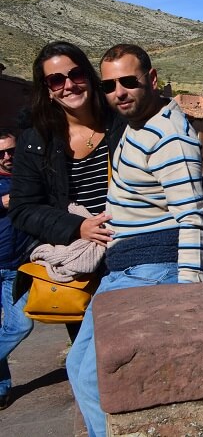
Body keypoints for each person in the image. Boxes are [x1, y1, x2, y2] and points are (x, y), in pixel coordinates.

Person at [66, 44, 203, 437]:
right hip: (127, 267)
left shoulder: (168, 137)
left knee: (96, 379)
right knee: (78, 367)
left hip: (150, 270)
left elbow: (193, 218)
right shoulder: (135, 124)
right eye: (109, 85)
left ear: (152, 78)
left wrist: (188, 298)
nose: (119, 92)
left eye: (129, 81)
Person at [9, 41, 126, 342]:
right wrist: (79, 227)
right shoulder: (36, 141)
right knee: (90, 351)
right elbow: (23, 208)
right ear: (47, 89)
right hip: (80, 265)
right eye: (56, 80)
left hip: (129, 252)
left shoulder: (122, 124)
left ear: (88, 75)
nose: (69, 85)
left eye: (76, 75)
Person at [0, 130, 33, 410]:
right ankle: (1, 390)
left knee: (20, 324)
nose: (7, 157)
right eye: (0, 154)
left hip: (15, 269)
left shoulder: (27, 178)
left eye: (11, 151)